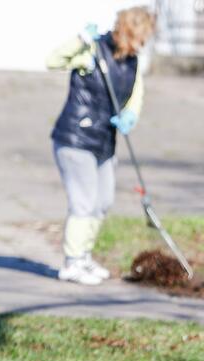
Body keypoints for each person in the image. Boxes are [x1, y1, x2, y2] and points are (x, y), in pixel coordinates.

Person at [46, 6, 155, 285]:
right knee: (83, 203)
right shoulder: (92, 51)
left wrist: (131, 114)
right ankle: (72, 263)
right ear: (125, 32)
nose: (141, 45)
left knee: (103, 201)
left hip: (105, 141)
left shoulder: (131, 61)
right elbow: (53, 60)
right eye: (138, 38)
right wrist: (79, 40)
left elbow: (135, 93)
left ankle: (84, 256)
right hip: (75, 139)